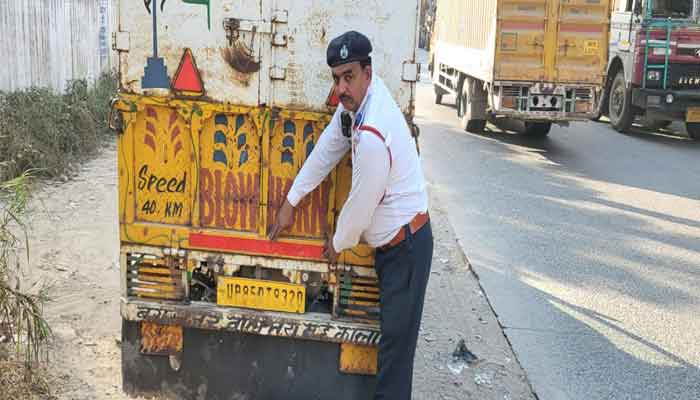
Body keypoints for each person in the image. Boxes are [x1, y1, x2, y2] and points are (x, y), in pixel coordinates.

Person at [268, 30, 433, 400]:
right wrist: (292, 200)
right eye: (337, 78)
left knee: (394, 357)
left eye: (349, 77)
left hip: (406, 250)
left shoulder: (373, 131)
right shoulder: (358, 108)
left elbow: (361, 206)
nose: (342, 88)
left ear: (368, 73)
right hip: (396, 248)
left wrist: (337, 242)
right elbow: (328, 148)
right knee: (391, 347)